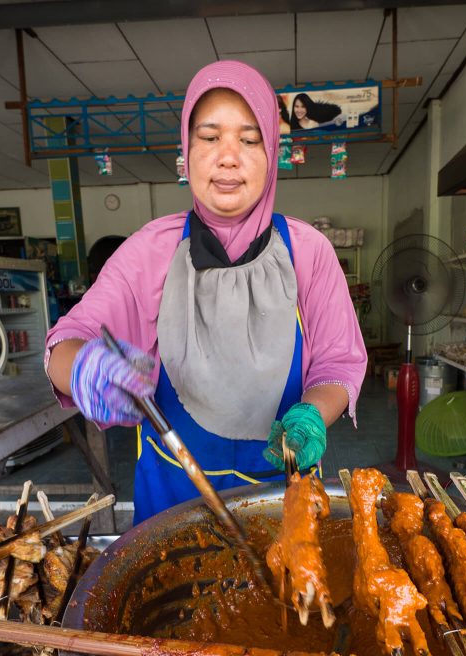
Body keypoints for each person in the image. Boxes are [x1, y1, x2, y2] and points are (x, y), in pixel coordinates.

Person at [44, 60, 366, 524]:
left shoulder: (308, 252)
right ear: (187, 151)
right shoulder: (151, 251)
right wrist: (83, 367)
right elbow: (65, 344)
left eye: (250, 139)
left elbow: (338, 364)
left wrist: (312, 415)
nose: (228, 157)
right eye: (210, 137)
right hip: (172, 505)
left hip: (284, 504)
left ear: (272, 151)